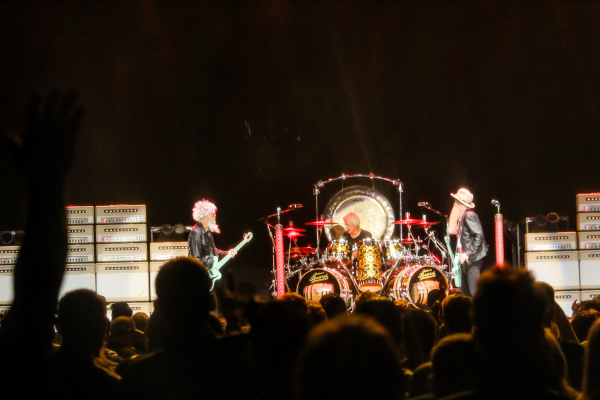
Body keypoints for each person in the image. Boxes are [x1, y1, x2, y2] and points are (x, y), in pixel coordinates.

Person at [448, 188, 488, 297]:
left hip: (472, 259)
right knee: (465, 293)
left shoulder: (469, 215)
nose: (454, 205)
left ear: (460, 204)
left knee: (474, 292)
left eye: (456, 202)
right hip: (466, 259)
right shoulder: (462, 218)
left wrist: (467, 254)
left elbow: (479, 236)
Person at [187, 200, 237, 280]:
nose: (215, 216)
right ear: (206, 216)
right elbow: (195, 259)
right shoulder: (196, 233)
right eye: (213, 214)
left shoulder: (206, 232)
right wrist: (205, 275)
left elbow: (213, 251)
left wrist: (227, 253)